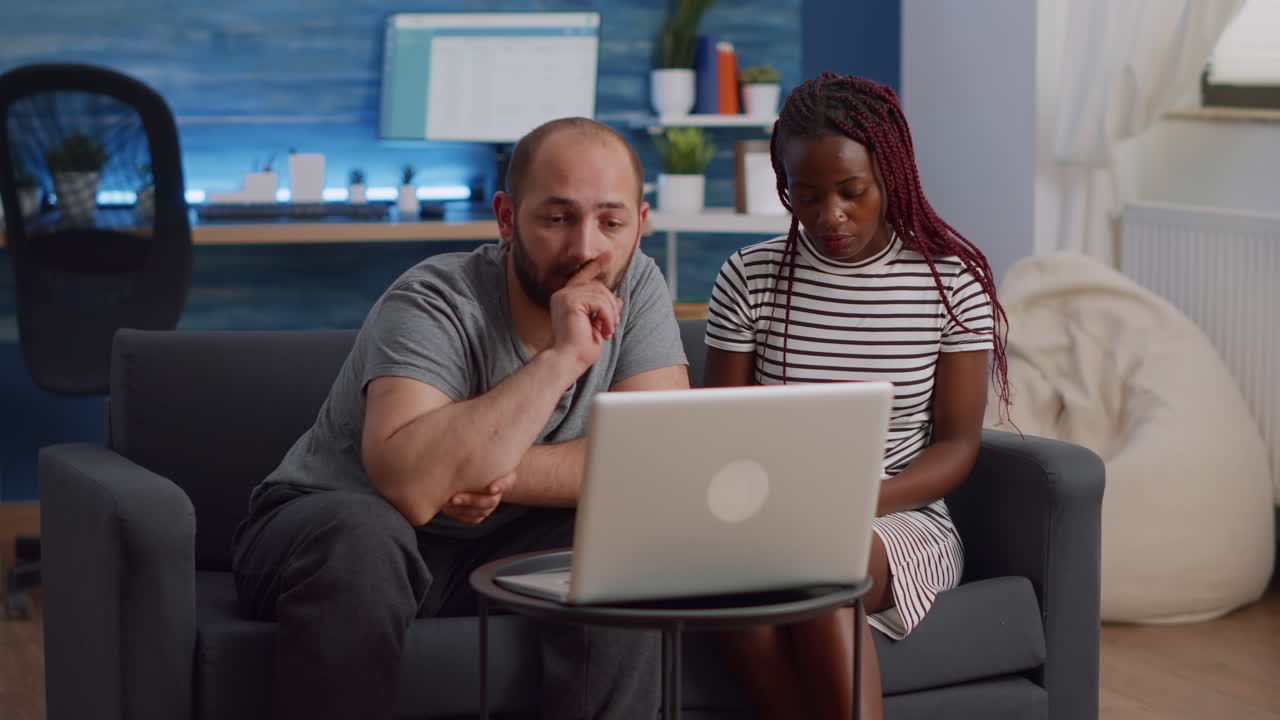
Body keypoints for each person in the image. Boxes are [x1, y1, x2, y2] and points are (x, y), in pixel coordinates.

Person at [230, 117, 689, 720]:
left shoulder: (639, 285)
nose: (585, 249)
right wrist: (561, 359)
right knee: (367, 535)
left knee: (625, 533)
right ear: (506, 218)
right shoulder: (432, 298)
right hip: (328, 534)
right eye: (556, 219)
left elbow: (653, 461)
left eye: (611, 222)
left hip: (502, 541)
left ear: (640, 224)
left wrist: (482, 467)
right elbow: (413, 488)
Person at [703, 72, 1012, 720]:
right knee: (739, 593)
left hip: (900, 516)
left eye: (851, 192)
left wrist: (852, 501)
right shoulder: (749, 277)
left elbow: (958, 445)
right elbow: (718, 433)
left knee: (819, 566)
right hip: (768, 520)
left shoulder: (949, 283)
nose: (828, 216)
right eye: (805, 196)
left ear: (890, 176)